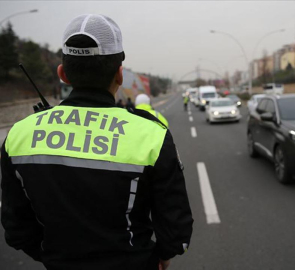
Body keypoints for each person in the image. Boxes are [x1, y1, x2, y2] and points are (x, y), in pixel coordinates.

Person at [1, 14, 193, 270]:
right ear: (120, 74)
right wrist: (160, 256)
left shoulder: (18, 135)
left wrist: (54, 257)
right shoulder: (152, 135)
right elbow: (176, 231)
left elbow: (16, 229)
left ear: (62, 74)